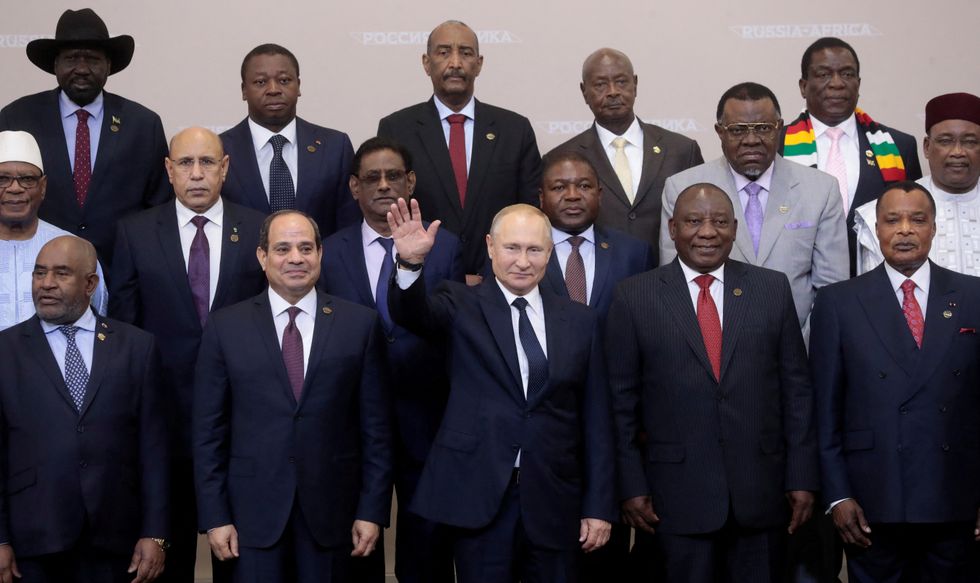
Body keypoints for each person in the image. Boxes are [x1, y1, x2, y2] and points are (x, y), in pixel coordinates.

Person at [387, 201, 615, 582]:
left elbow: (597, 422)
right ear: (491, 247)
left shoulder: (580, 321)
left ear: (549, 253)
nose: (522, 261)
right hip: (479, 497)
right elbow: (412, 313)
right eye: (512, 248)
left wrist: (599, 506)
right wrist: (410, 264)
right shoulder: (460, 304)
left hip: (555, 500)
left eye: (534, 249)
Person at [609, 183, 818, 583]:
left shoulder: (771, 289)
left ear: (735, 228)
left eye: (719, 222)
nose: (707, 232)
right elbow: (620, 405)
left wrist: (803, 476)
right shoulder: (634, 297)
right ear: (672, 228)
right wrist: (630, 485)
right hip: (674, 499)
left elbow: (797, 393)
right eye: (693, 221)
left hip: (761, 494)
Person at [193, 210, 392, 582]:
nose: (296, 258)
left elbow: (377, 429)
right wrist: (215, 516)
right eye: (282, 249)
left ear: (320, 253)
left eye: (305, 248)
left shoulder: (359, 325)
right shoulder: (226, 327)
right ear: (262, 256)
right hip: (249, 520)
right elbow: (208, 433)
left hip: (335, 517)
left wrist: (372, 510)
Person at [109, 127, 267, 582]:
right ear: (169, 170)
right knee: (166, 557)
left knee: (241, 558)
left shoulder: (258, 228)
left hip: (242, 424)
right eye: (185, 163)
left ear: (225, 168)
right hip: (164, 422)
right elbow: (124, 329)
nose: (196, 174)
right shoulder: (135, 232)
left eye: (207, 162)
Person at [810, 182, 980, 582]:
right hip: (872, 498)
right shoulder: (838, 302)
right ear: (877, 229)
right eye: (892, 220)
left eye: (917, 219)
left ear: (934, 228)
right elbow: (824, 411)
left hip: (954, 493)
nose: (905, 229)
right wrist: (837, 495)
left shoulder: (973, 295)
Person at [320, 136, 463, 583]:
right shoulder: (328, 251)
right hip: (351, 418)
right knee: (355, 543)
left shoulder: (445, 246)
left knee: (426, 548)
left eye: (394, 176)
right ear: (354, 187)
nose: (383, 185)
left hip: (426, 414)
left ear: (411, 181)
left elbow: (448, 326)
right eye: (372, 178)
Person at [0, 235, 169, 583]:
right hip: (32, 537)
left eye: (61, 273)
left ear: (90, 283)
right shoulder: (5, 350)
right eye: (39, 273)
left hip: (115, 536)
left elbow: (153, 449)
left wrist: (155, 534)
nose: (46, 283)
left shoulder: (137, 347)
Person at [537, 150, 654, 580]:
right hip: (545, 421)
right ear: (540, 196)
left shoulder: (634, 253)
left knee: (608, 557)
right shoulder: (522, 253)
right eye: (559, 187)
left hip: (615, 423)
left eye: (584, 186)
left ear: (601, 194)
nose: (573, 195)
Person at [660, 82, 848, 336]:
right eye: (738, 130)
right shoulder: (683, 189)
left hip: (800, 345)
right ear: (720, 132)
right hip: (712, 346)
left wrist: (797, 347)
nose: (751, 140)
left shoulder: (821, 189)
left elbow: (831, 290)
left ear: (779, 128)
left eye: (763, 128)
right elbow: (674, 285)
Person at [0, 8, 171, 271]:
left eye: (92, 59)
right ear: (55, 65)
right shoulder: (17, 117)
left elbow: (159, 210)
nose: (81, 69)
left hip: (120, 273)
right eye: (71, 59)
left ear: (109, 66)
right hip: (35, 272)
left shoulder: (143, 125)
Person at [377, 20, 542, 283]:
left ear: (479, 63)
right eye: (444, 52)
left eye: (465, 53)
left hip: (499, 283)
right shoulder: (396, 129)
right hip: (427, 281)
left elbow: (530, 213)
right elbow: (389, 210)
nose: (455, 63)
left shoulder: (515, 130)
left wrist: (490, 275)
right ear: (426, 63)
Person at [779, 37, 922, 275]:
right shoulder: (777, 146)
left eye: (847, 74)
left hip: (878, 284)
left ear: (858, 83)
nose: (837, 83)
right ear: (803, 86)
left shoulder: (899, 146)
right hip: (800, 284)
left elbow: (916, 221)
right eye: (824, 74)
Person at [552, 48, 703, 257]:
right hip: (599, 274)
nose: (613, 91)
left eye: (621, 82)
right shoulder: (560, 159)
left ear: (635, 84)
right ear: (584, 91)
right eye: (600, 84)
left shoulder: (681, 150)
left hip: (669, 272)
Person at [220, 43, 361, 236]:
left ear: (298, 86)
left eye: (284, 80)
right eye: (260, 82)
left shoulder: (335, 147)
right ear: (244, 90)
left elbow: (349, 227)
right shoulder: (219, 150)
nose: (273, 89)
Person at [854, 92, 980, 275]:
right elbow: (872, 289)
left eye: (970, 142)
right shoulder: (879, 214)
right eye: (945, 141)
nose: (957, 152)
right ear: (927, 147)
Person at [1, 130, 107, 330]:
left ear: (42, 187)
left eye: (27, 179)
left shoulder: (73, 249)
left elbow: (97, 319)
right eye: (2, 179)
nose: (15, 188)